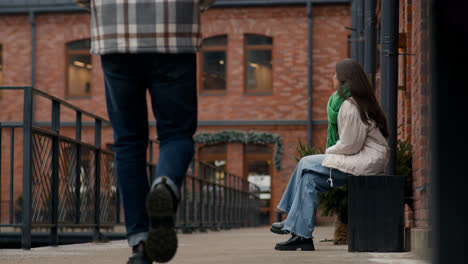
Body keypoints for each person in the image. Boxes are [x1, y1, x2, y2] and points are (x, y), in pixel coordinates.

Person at [82, 0, 216, 263]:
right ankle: (165, 184)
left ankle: (140, 245)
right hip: (174, 26)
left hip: (115, 28)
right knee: (176, 133)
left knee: (128, 142)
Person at [270, 58, 390, 251]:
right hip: (360, 158)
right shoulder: (350, 102)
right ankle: (302, 237)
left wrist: (329, 151)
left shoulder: (352, 106)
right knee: (309, 179)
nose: (332, 77)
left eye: (335, 75)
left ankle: (290, 219)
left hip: (365, 162)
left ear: (344, 80)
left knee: (305, 162)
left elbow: (351, 145)